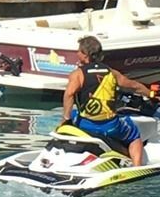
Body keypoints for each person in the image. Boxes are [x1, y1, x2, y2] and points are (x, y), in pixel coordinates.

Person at [60, 35, 148, 166]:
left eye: (79, 50)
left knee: (72, 116)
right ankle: (136, 167)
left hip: (85, 125)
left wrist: (66, 119)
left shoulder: (78, 74)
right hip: (110, 126)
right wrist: (151, 93)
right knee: (134, 135)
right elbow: (134, 86)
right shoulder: (111, 73)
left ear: (85, 55)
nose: (76, 53)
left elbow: (69, 94)